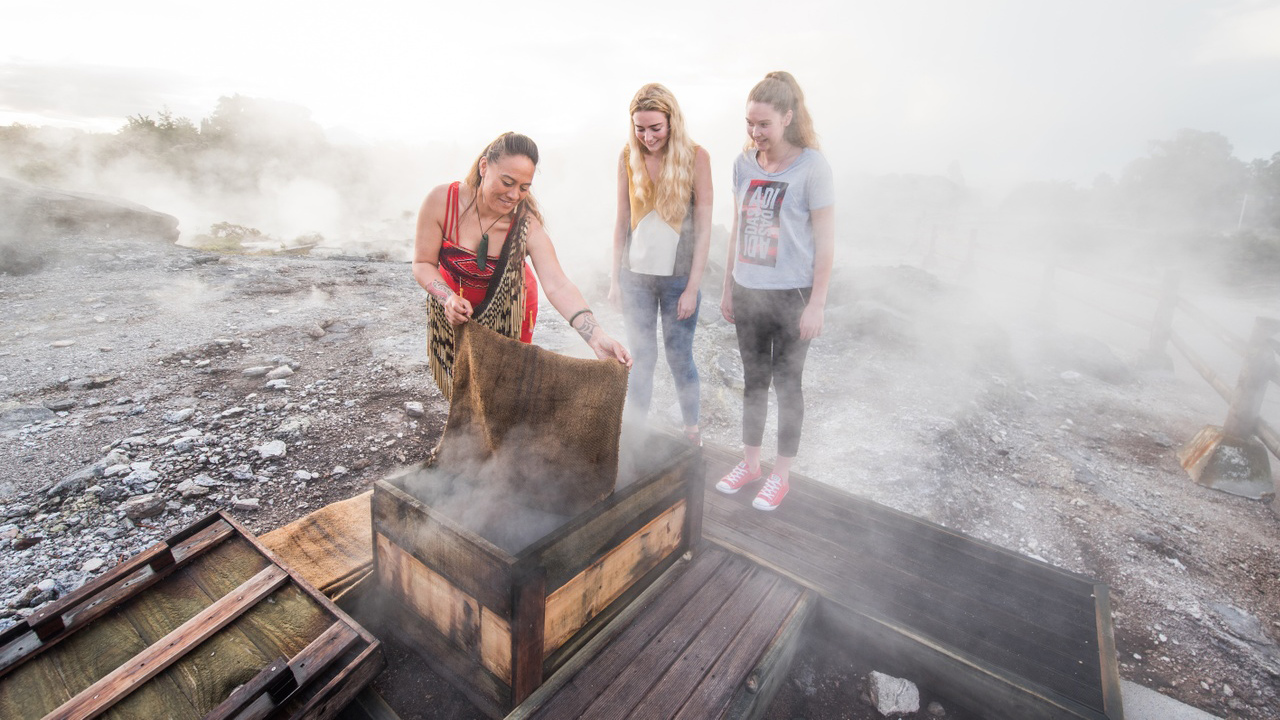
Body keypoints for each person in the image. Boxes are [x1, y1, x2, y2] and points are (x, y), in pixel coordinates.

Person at [413, 132, 631, 397]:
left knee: (504, 382)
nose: (514, 195)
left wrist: (596, 336)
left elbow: (558, 284)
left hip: (510, 308)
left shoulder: (527, 225)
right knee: (462, 379)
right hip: (453, 305)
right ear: (484, 167)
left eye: (524, 187)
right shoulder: (441, 201)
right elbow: (423, 262)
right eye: (507, 182)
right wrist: (446, 298)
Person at [715, 72, 834, 511]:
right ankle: (749, 465)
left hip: (792, 297)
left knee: (788, 386)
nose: (755, 132)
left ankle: (780, 476)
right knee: (753, 383)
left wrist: (817, 303)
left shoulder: (812, 167)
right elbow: (736, 228)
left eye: (764, 124)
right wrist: (727, 285)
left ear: (788, 117)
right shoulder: (743, 163)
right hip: (749, 291)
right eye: (749, 123)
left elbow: (825, 241)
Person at [609, 84, 712, 444]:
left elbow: (703, 227)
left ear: (672, 121)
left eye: (656, 127)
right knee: (641, 357)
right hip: (635, 277)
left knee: (679, 356)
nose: (647, 136)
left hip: (678, 280)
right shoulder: (627, 155)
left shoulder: (697, 157)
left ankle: (692, 433)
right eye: (640, 128)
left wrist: (693, 288)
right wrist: (614, 281)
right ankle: (634, 434)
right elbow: (621, 220)